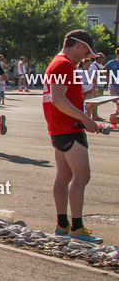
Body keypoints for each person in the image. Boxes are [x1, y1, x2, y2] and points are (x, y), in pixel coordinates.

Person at [42, 30, 105, 244]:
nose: (86, 57)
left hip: (60, 127)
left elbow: (58, 98)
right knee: (82, 175)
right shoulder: (64, 65)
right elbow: (58, 100)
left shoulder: (57, 63)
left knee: (64, 175)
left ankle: (62, 224)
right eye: (86, 52)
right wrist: (85, 119)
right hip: (68, 127)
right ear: (78, 46)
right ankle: (76, 227)